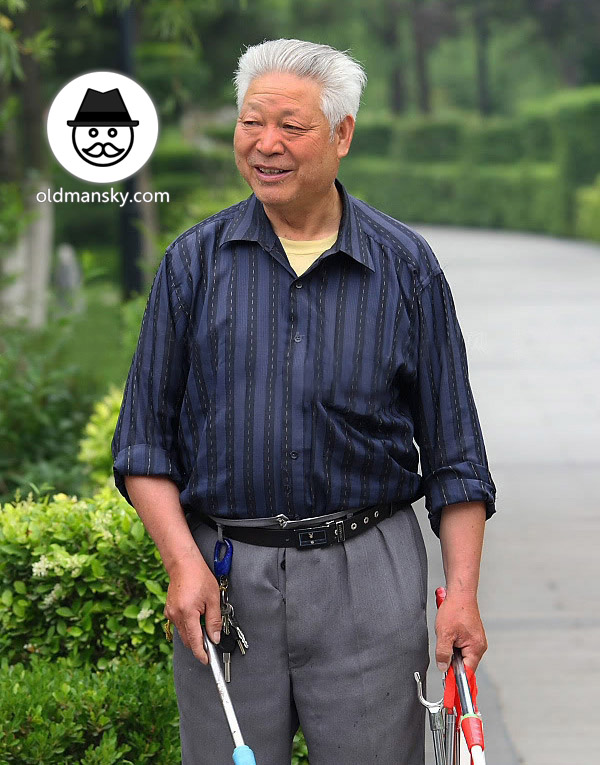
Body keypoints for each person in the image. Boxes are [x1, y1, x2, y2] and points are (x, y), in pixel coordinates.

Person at [111, 38, 496, 765]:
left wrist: (463, 593)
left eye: (291, 126)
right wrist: (182, 564)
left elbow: (456, 457)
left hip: (367, 571)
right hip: (225, 572)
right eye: (252, 123)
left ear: (342, 134)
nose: (266, 144)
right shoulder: (193, 264)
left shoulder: (406, 268)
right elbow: (143, 444)